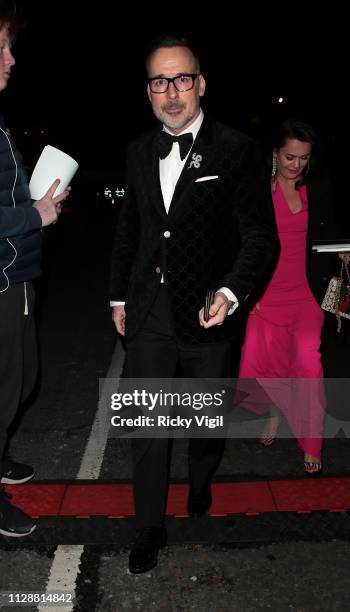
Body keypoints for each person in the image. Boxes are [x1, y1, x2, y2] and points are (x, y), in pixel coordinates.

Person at [110, 34, 278, 573]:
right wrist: (118, 294)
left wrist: (231, 293)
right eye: (161, 81)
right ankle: (148, 527)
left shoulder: (236, 149)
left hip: (209, 312)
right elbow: (130, 229)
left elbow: (259, 238)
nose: (173, 92)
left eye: (182, 79)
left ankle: (202, 477)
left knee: (206, 424)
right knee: (148, 426)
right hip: (149, 314)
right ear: (149, 91)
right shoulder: (138, 150)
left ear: (200, 84)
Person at [0, 1, 70, 537]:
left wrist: (36, 203)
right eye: (1, 48)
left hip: (15, 270)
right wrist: (35, 213)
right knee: (7, 385)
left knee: (21, 381)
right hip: (1, 277)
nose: (11, 59)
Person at [238, 118, 338, 474]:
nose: (297, 165)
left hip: (307, 292)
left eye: (304, 159)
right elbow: (241, 243)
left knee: (308, 363)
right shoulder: (258, 191)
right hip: (267, 293)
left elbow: (329, 231)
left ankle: (312, 441)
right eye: (290, 157)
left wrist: (340, 251)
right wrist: (248, 291)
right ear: (275, 154)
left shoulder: (318, 188)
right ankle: (274, 412)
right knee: (258, 364)